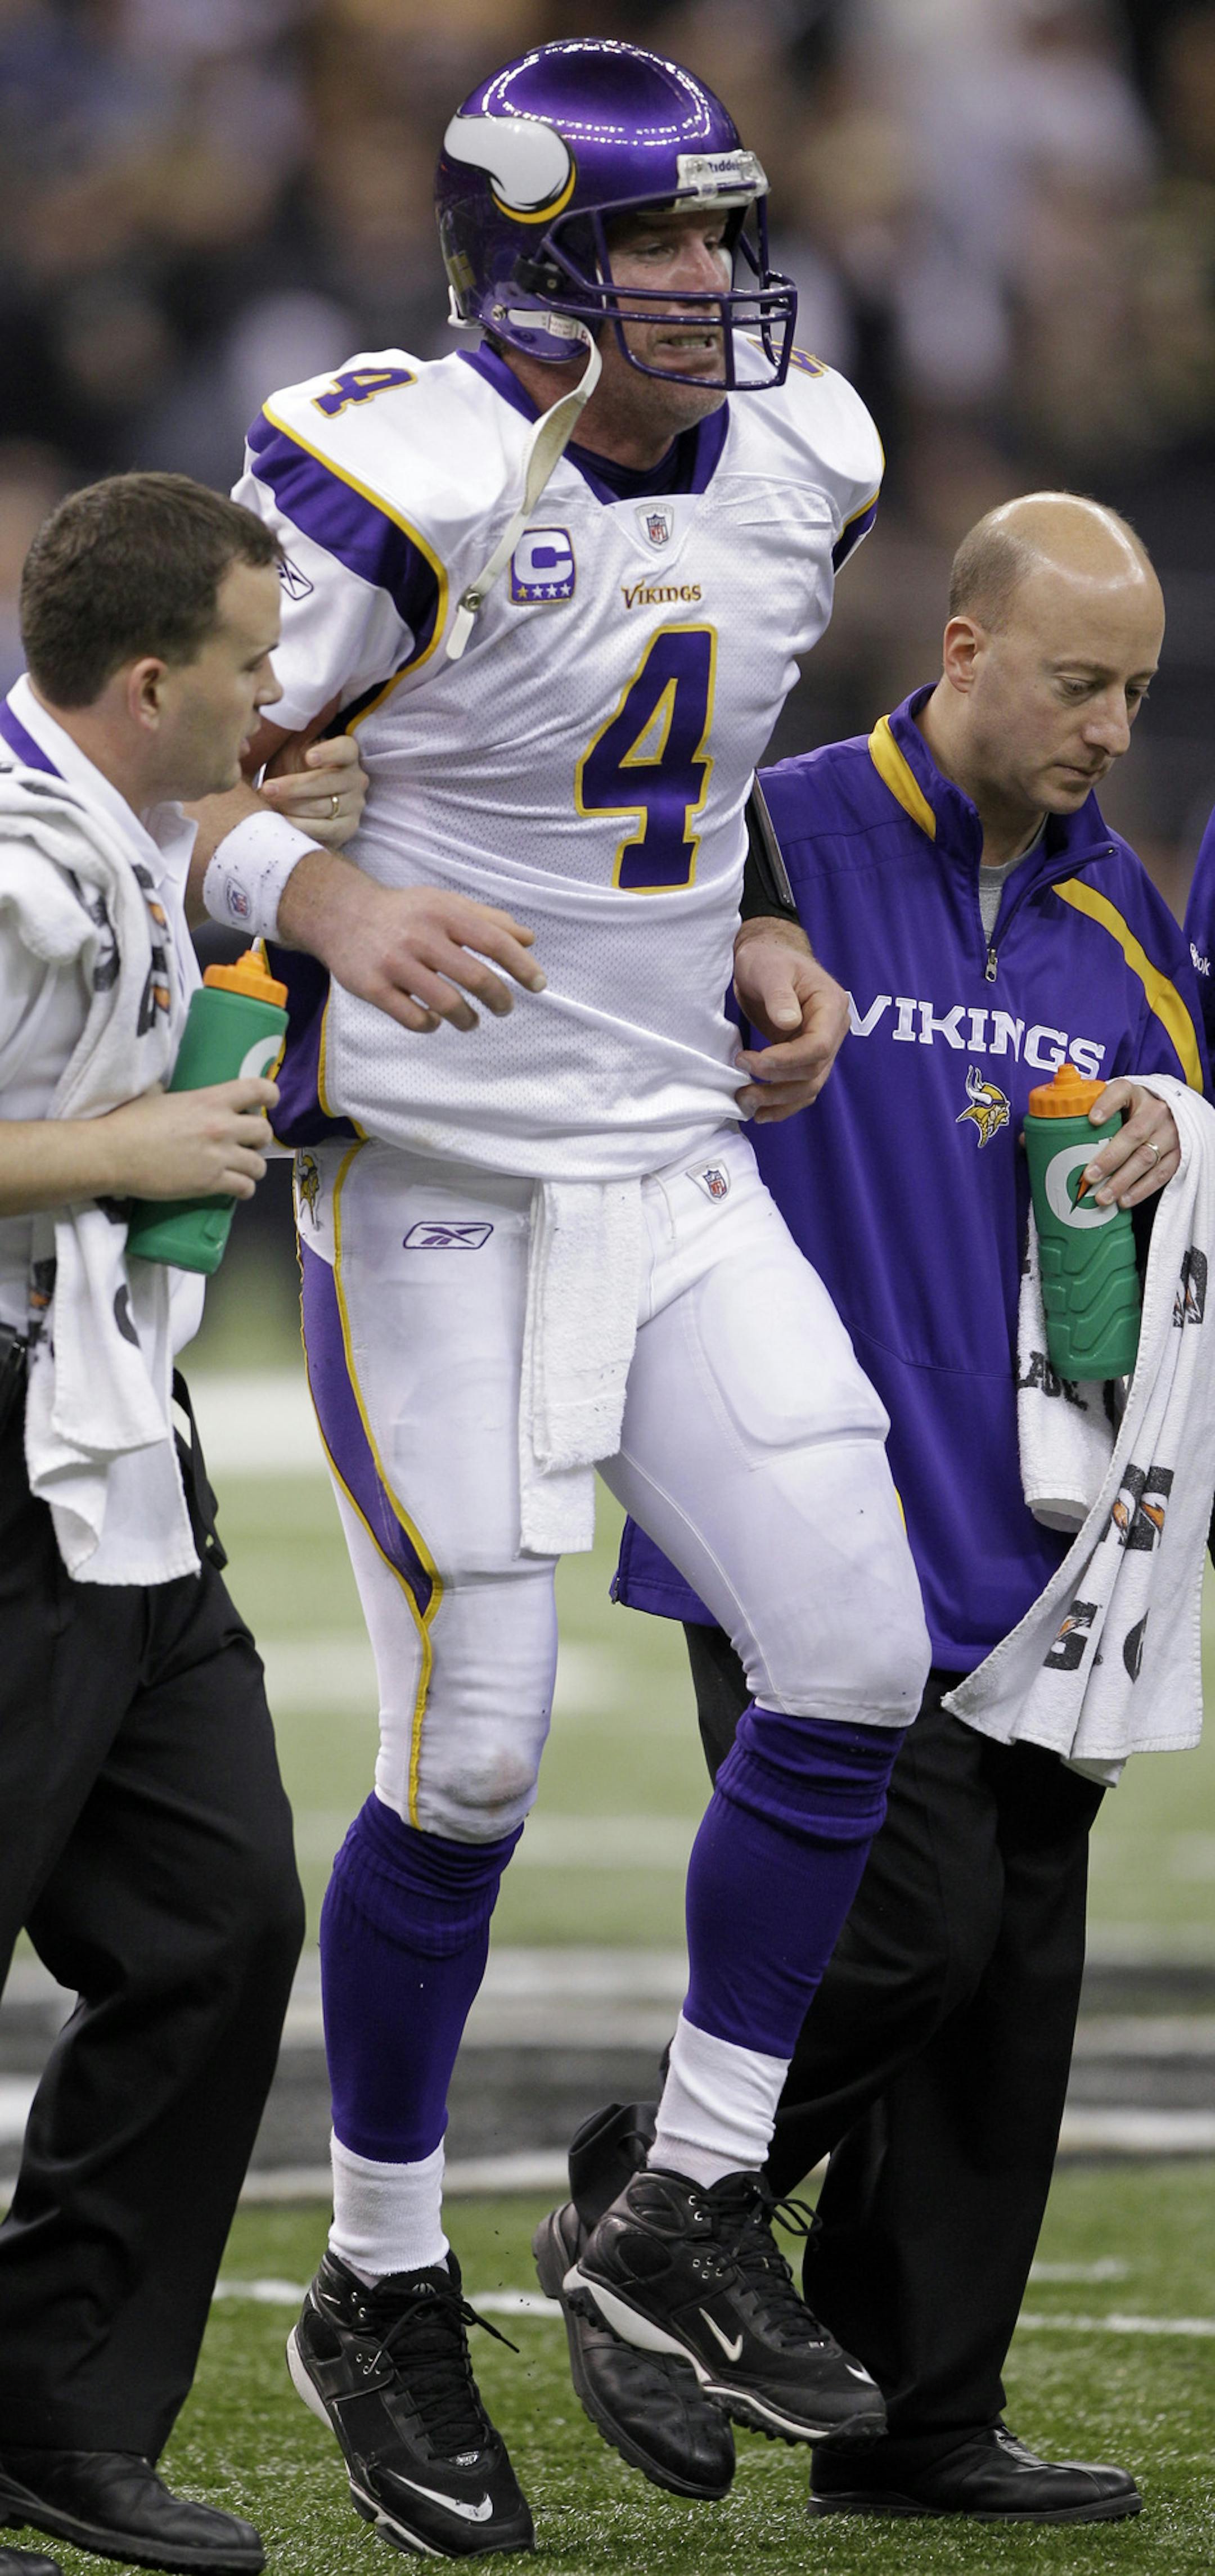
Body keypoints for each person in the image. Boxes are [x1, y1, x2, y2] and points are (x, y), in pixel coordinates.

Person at [192, 35, 935, 2562]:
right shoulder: (390, 474)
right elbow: (112, 763)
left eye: (726, 236)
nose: (712, 283)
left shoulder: (803, 458)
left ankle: (682, 2211)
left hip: (676, 1166)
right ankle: (378, 2276)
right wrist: (323, 900)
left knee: (855, 1645)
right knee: (476, 1752)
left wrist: (764, 930)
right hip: (441, 1188)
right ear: (525, 270)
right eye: (657, 246)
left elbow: (702, 768)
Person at [541, 491, 1207, 2527]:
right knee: (905, 1927)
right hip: (796, 1507)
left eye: (1140, 693)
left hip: (1030, 1550)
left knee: (1008, 1980)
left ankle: (920, 2420)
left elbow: (1179, 1129)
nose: (1110, 726)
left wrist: (1179, 1122)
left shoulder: (1120, 924)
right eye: (1078, 682)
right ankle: (652, 2193)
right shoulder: (785, 844)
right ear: (967, 651)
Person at [0, 470, 363, 2576]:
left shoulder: (124, 799)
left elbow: (211, 809)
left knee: (215, 1921)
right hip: (10, 1446)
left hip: (118, 1440)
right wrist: (115, 1145)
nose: (275, 699)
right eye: (243, 666)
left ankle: (50, 2408)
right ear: (147, 681)